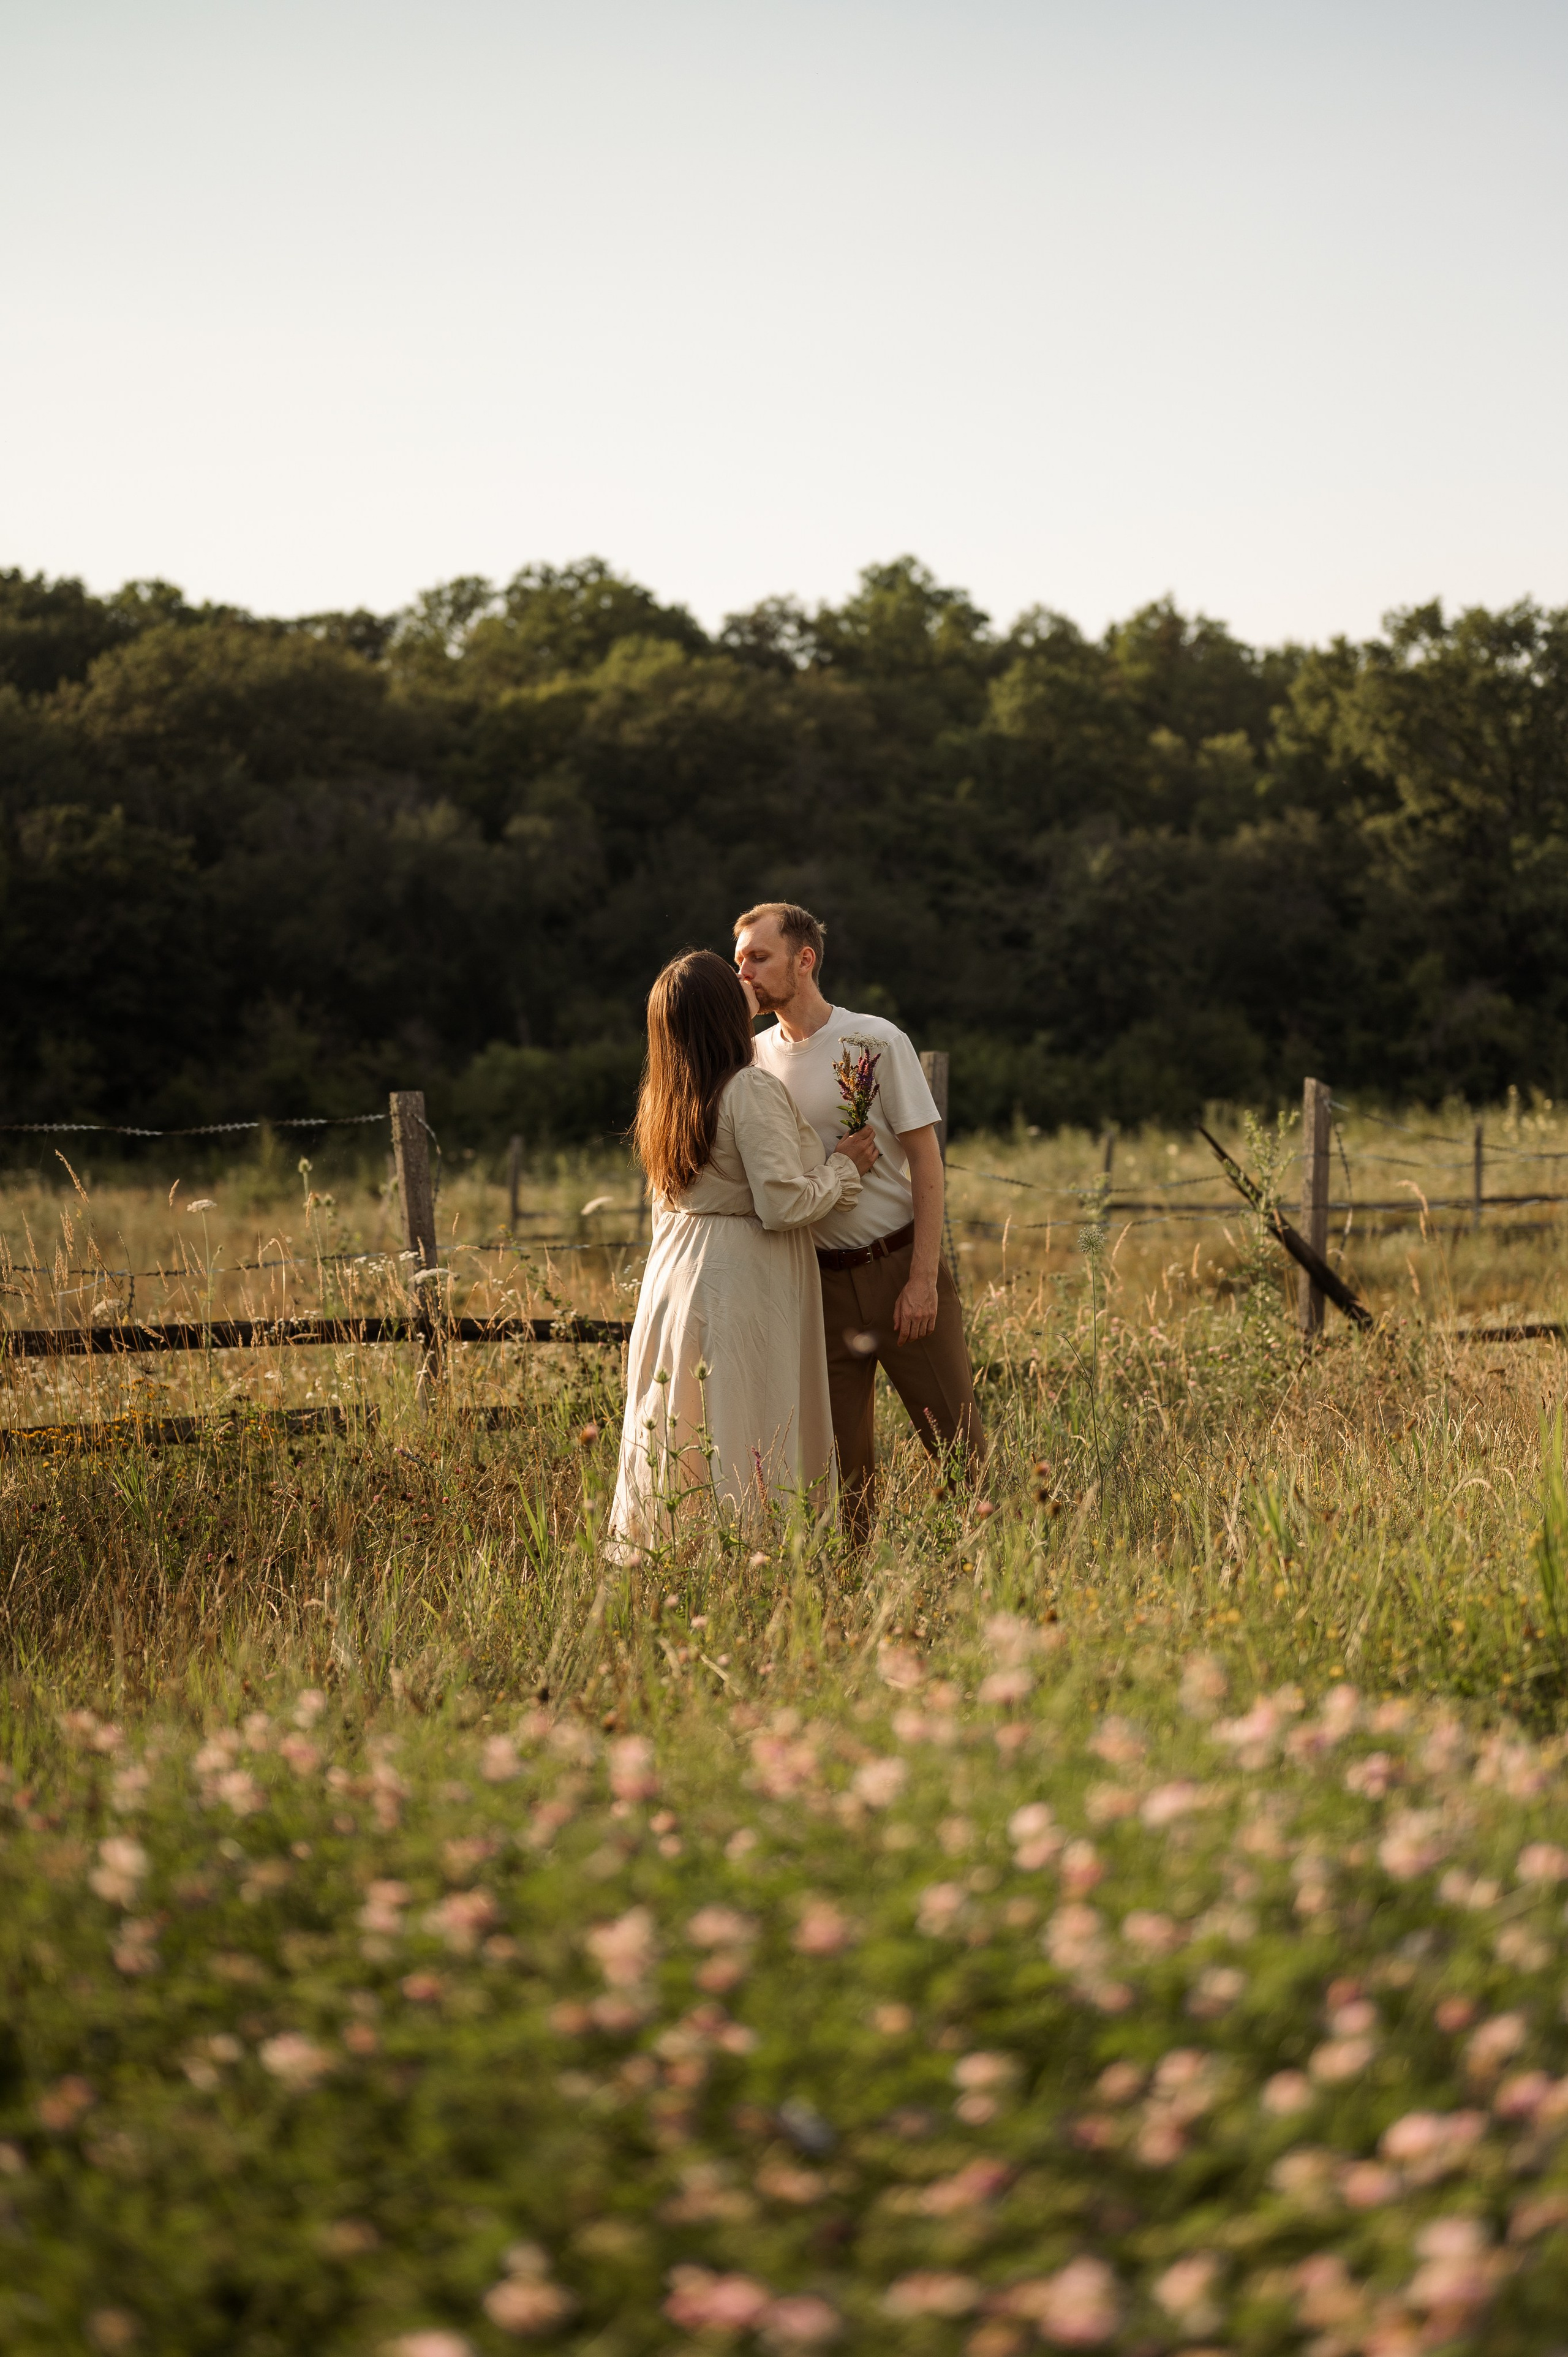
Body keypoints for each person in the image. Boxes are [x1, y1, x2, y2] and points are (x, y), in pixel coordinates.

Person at [607, 948, 878, 1555]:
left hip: (674, 1270)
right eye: (733, 985)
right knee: (745, 1411)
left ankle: (680, 1551)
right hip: (736, 1271)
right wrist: (842, 1166)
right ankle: (750, 1552)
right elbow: (782, 1202)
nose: (746, 984)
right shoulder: (747, 1086)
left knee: (685, 1416)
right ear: (721, 1013)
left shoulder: (664, 1095)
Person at [734, 900, 984, 1541]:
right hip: (814, 1288)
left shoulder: (873, 1040)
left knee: (961, 1454)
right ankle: (853, 1604)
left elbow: (926, 1161)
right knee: (841, 1472)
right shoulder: (749, 1058)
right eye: (738, 961)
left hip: (899, 1266)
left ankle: (997, 1578)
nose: (745, 973)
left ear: (804, 959)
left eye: (758, 957)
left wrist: (922, 1279)